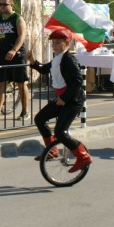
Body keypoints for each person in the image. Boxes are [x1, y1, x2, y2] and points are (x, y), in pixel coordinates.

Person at [27, 29, 92, 173]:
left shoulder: (69, 59)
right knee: (39, 119)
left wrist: (64, 98)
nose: (54, 45)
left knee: (60, 132)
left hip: (72, 101)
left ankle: (83, 156)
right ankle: (52, 151)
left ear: (67, 43)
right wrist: (33, 62)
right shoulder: (57, 58)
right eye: (53, 42)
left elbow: (77, 81)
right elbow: (45, 69)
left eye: (58, 43)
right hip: (61, 99)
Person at [0, 0, 30, 122]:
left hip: (17, 54)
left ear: (11, 5)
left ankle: (25, 111)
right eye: (0, 4)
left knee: (21, 83)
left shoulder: (17, 18)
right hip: (2, 54)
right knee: (1, 83)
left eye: (5, 4)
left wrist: (14, 50)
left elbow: (22, 36)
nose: (2, 7)